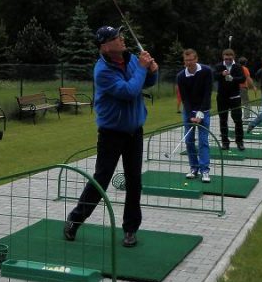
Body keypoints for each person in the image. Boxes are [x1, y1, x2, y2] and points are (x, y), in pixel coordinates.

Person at [64, 26, 158, 248]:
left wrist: (152, 71)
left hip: (134, 131)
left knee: (134, 181)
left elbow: (145, 83)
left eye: (121, 35)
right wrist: (143, 68)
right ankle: (75, 219)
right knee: (101, 180)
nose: (122, 39)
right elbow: (128, 92)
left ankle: (130, 229)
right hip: (111, 133)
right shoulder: (102, 70)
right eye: (116, 37)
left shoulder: (132, 59)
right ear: (105, 46)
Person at [176, 49, 213, 182]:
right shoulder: (181, 76)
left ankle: (205, 170)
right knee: (189, 140)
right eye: (186, 60)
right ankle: (194, 168)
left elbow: (208, 93)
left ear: (196, 59)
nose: (189, 63)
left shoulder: (206, 71)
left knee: (203, 141)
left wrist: (201, 112)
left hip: (204, 110)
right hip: (189, 111)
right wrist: (192, 114)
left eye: (191, 60)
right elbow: (185, 98)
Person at [214, 48, 246, 152]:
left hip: (234, 97)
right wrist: (222, 74)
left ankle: (239, 141)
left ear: (233, 57)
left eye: (230, 59)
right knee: (223, 120)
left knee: (238, 120)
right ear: (223, 57)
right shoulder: (219, 66)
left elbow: (243, 78)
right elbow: (214, 76)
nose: (228, 60)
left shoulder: (238, 66)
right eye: (226, 58)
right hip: (222, 97)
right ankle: (225, 142)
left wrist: (233, 78)